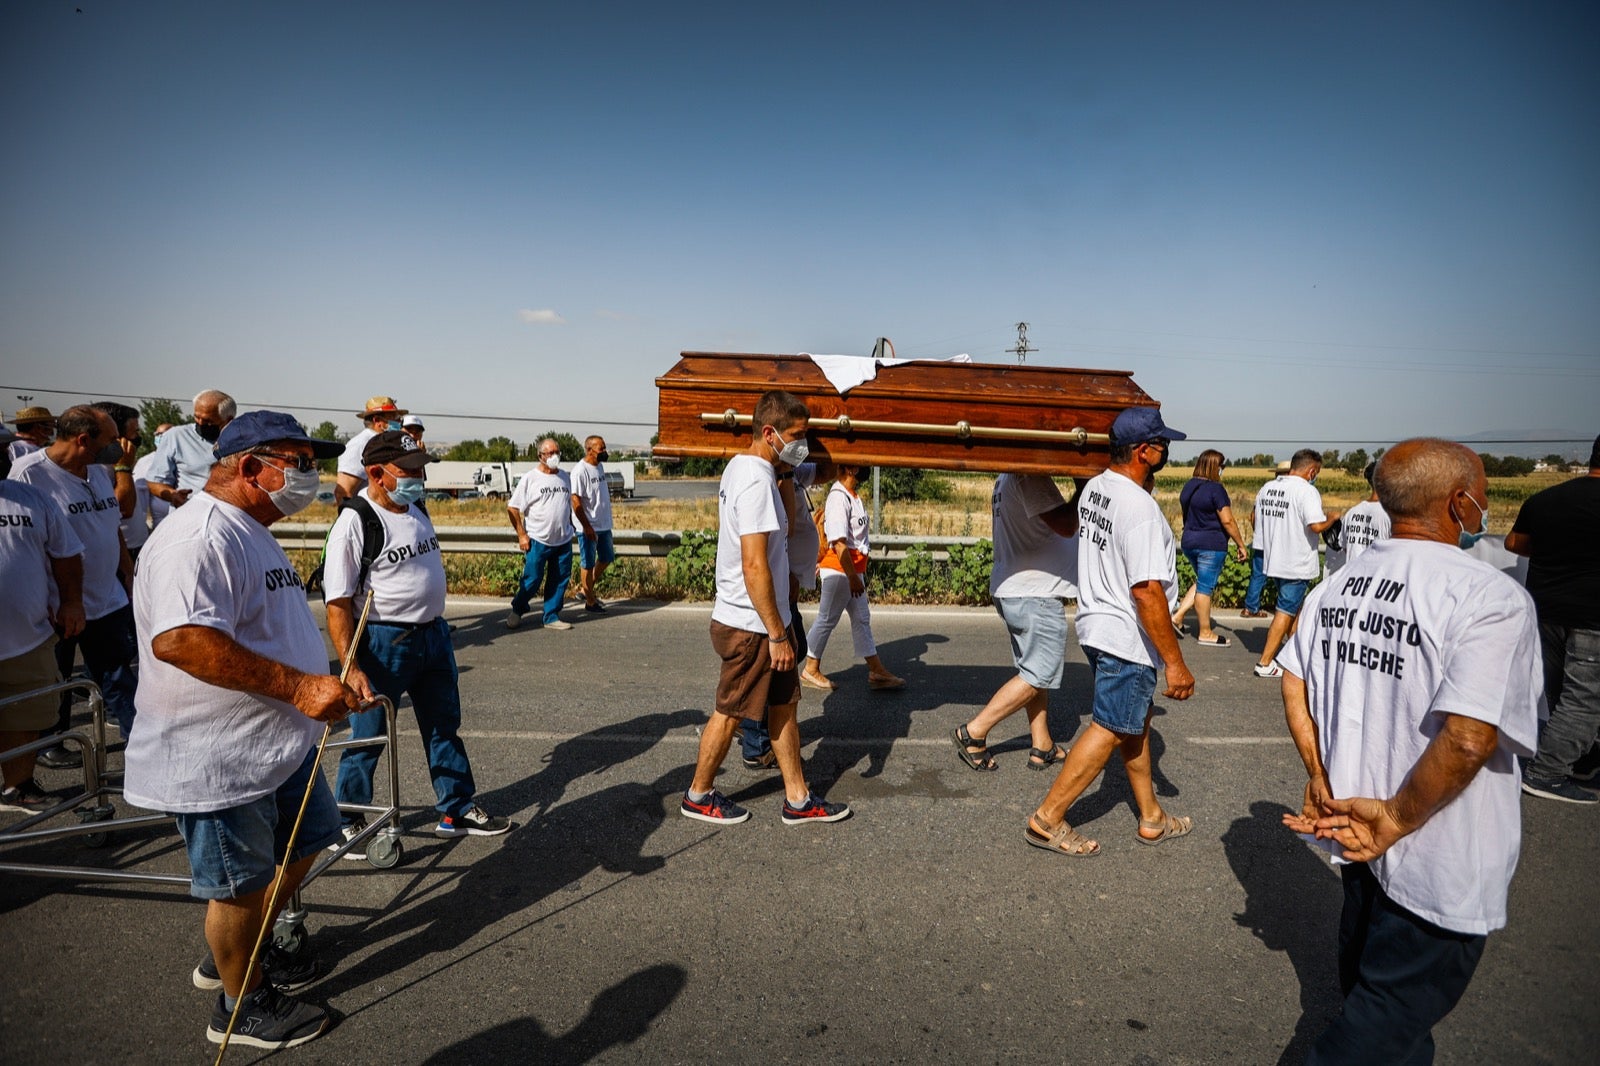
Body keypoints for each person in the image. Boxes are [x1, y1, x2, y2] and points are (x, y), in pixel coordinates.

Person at [1278, 439, 1541, 1064]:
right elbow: (1471, 734)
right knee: (1377, 1026)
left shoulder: (1337, 588)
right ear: (1460, 503)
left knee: (1383, 1014)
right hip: (1434, 854)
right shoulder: (1490, 596)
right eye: (1482, 496)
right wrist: (1395, 817)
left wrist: (1318, 773)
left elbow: (1295, 682)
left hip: (1355, 835)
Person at [122, 410, 362, 1050]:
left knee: (308, 842)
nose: (309, 474)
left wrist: (322, 677)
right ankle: (241, 1006)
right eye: (298, 461)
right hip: (219, 756)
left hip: (276, 749)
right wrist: (301, 686)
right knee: (239, 884)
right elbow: (181, 640)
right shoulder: (198, 536)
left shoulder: (253, 528)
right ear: (251, 467)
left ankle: (238, 952)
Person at [1026, 407, 1195, 856]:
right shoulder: (1139, 508)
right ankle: (1048, 818)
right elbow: (1146, 592)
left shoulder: (1097, 487)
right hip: (1125, 635)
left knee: (1133, 723)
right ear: (1144, 451)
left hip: (1097, 625)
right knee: (1109, 726)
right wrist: (1176, 664)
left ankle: (1152, 817)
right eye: (1163, 445)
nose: (1167, 451)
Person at [327, 431, 510, 846]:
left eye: (421, 469)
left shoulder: (416, 508)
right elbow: (337, 603)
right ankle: (348, 819)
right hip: (382, 643)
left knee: (444, 727)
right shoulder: (355, 521)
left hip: (433, 637)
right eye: (409, 471)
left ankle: (456, 808)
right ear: (376, 473)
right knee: (369, 736)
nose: (419, 477)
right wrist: (349, 665)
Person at [681, 389, 849, 826]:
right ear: (770, 432)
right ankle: (699, 794)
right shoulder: (756, 481)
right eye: (796, 436)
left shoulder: (747, 467)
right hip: (751, 625)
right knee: (731, 709)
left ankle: (798, 798)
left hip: (762, 618)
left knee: (783, 706)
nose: (802, 444)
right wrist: (777, 632)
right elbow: (753, 562)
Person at [11, 407, 139, 764]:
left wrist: (127, 571)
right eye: (112, 440)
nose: (119, 447)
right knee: (59, 679)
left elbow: (111, 522)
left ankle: (142, 740)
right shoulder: (29, 474)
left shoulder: (98, 470)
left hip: (106, 597)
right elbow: (21, 539)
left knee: (117, 673)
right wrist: (63, 599)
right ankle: (51, 743)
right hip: (58, 603)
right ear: (84, 441)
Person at [952, 472, 1082, 772]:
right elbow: (1066, 524)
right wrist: (1082, 487)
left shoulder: (1006, 477)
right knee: (1038, 674)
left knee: (1034, 670)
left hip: (1017, 588)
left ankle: (1042, 744)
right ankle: (973, 733)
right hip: (1033, 592)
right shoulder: (1030, 476)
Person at [1507, 434, 1600, 804]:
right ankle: (1547, 772)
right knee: (1584, 700)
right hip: (1591, 617)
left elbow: (1514, 544)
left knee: (1562, 692)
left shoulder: (1545, 498)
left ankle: (1580, 756)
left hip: (1545, 608)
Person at [0, 431, 86, 812]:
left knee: (26, 715)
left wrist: (71, 602)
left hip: (27, 638)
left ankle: (17, 787)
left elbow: (66, 555)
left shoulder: (34, 498)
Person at [739, 459, 830, 772]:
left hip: (787, 586)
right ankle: (756, 740)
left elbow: (827, 470)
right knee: (776, 663)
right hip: (779, 588)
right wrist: (788, 472)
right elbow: (787, 524)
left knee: (790, 655)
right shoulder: (775, 476)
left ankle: (751, 724)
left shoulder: (794, 470)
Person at [799, 463, 904, 692]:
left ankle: (877, 671)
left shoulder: (852, 496)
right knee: (827, 618)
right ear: (852, 469)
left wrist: (856, 575)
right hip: (840, 571)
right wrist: (852, 577)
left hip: (851, 571)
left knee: (861, 618)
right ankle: (810, 669)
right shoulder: (838, 496)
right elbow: (838, 542)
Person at [1252, 449, 1341, 678]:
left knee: (1293, 609)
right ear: (1312, 470)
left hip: (1275, 559)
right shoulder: (1307, 491)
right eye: (1316, 472)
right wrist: (1331, 518)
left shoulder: (1268, 489)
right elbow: (1315, 526)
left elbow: (1256, 520)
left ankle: (1299, 655)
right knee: (1285, 610)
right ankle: (1265, 662)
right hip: (1296, 562)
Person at [1171, 450, 1249, 646]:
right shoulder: (1216, 490)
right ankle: (1205, 632)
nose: (1223, 470)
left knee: (1202, 582)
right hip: (1211, 544)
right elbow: (1228, 521)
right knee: (1205, 588)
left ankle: (1177, 617)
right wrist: (1240, 544)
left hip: (1189, 541)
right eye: (1221, 466)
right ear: (1215, 467)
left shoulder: (1188, 487)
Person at [505, 438, 575, 631]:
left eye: (557, 452)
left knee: (559, 578)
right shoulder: (531, 478)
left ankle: (551, 616)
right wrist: (522, 535)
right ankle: (518, 609)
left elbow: (566, 504)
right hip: (538, 540)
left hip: (563, 540)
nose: (554, 456)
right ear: (540, 456)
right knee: (532, 579)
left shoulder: (565, 477)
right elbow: (512, 508)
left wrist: (570, 525)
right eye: (550, 453)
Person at [147, 389, 236, 508]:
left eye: (207, 421)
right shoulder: (176, 436)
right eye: (197, 417)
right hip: (188, 516)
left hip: (228, 516)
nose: (200, 423)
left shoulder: (242, 441)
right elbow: (154, 482)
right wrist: (173, 495)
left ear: (228, 420)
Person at [570, 435, 616, 612]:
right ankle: (590, 601)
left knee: (606, 558)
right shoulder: (580, 471)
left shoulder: (600, 466)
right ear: (589, 450)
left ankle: (585, 589)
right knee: (587, 564)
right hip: (588, 527)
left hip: (604, 525)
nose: (605, 452)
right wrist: (587, 526)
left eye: (604, 448)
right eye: (601, 449)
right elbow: (575, 501)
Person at [335, 396, 407, 503]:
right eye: (393, 417)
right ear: (378, 421)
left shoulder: (386, 443)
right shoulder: (359, 445)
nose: (399, 421)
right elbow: (343, 492)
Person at [1339, 460, 1391, 570]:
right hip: (1378, 579)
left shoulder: (1351, 513)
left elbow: (1345, 547)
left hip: (1353, 578)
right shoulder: (1390, 515)